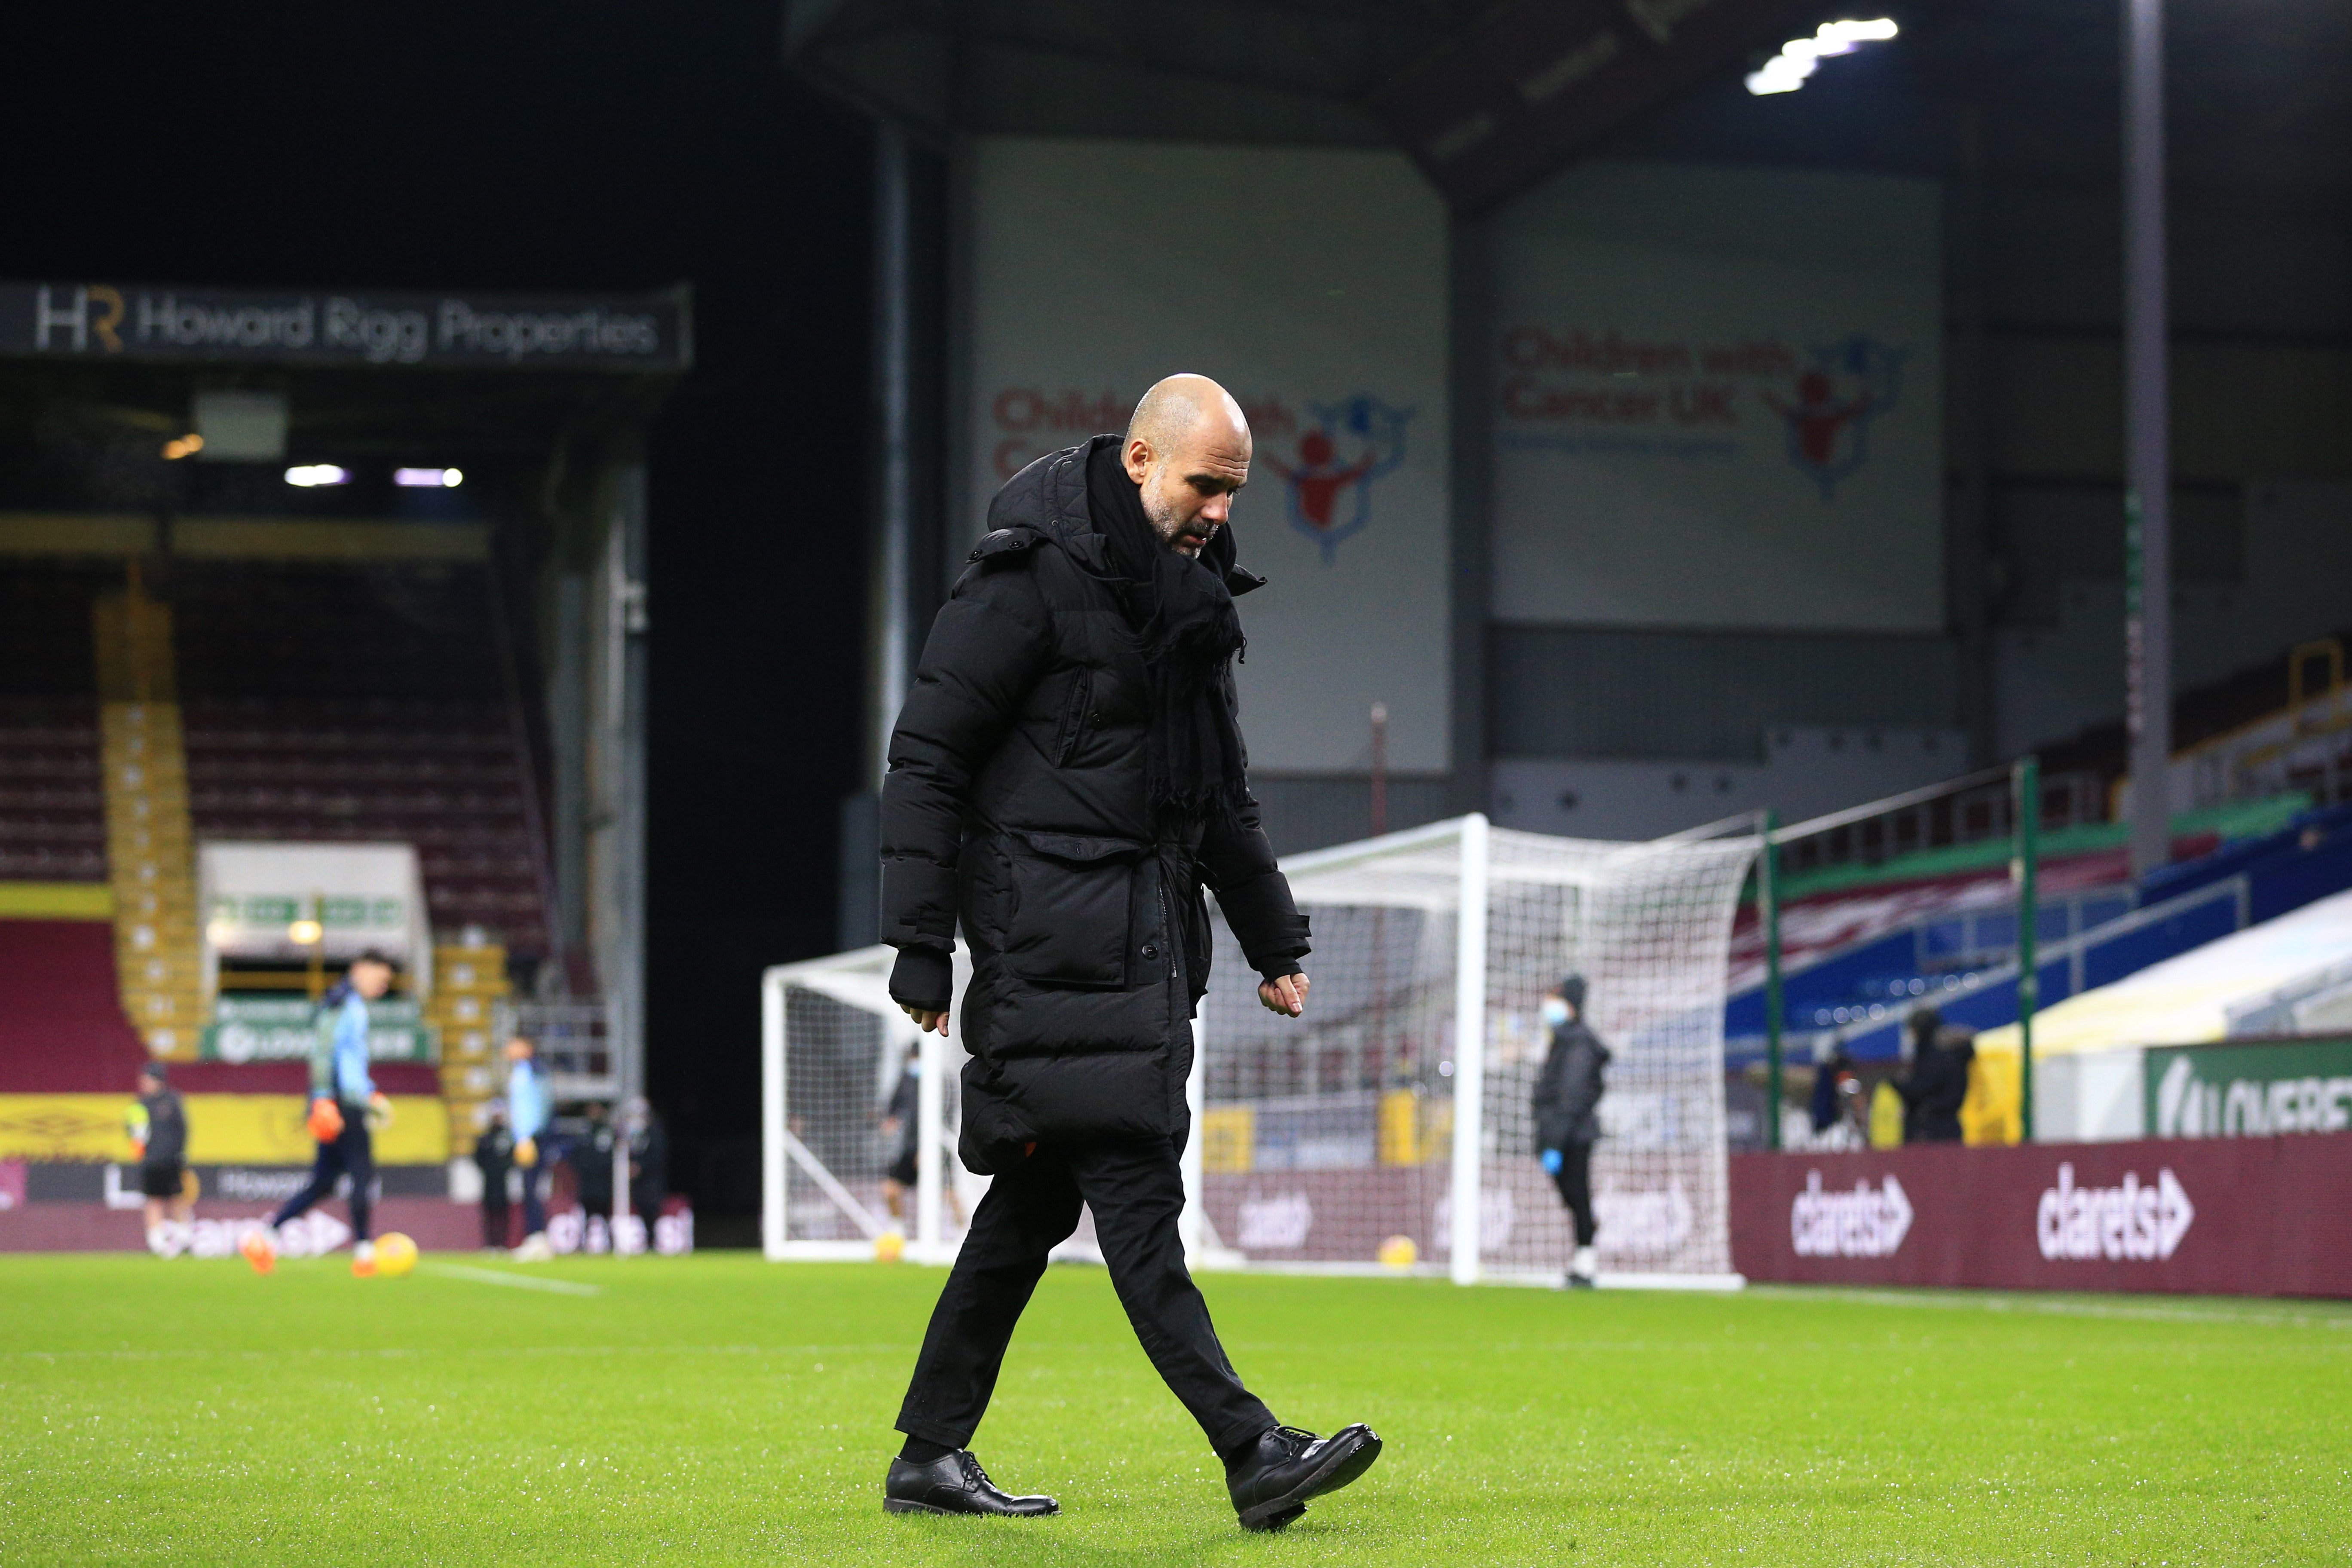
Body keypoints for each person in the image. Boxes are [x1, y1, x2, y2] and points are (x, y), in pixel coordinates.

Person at [876, 375, 1378, 1531]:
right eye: (1205, 484)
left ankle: (928, 1453)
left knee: (1031, 1213)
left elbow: (1215, 797)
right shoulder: (1026, 580)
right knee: (1140, 1200)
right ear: (1144, 461)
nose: (1218, 510)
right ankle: (1252, 1450)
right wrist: (919, 944)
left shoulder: (1188, 598)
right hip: (1052, 950)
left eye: (1233, 491)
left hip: (1140, 954)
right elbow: (929, 761)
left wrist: (1273, 935)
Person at [244, 951, 395, 1275]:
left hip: (339, 1099)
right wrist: (327, 1099)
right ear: (360, 969)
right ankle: (365, 1252)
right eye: (380, 979)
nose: (382, 988)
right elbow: (325, 1054)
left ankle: (265, 1237)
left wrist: (361, 1095)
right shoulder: (345, 1004)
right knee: (362, 1174)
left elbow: (343, 1058)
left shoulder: (344, 1002)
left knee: (324, 1182)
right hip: (342, 1103)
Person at [1530, 974, 1609, 1289]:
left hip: (1572, 1136)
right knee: (1574, 1198)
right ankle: (1582, 1260)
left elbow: (1571, 1096)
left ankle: (1586, 1265)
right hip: (1564, 1134)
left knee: (1578, 1197)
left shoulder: (1577, 1043)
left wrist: (1555, 1143)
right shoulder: (1563, 1041)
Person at [127, 1061, 193, 1255]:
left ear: (157, 1080)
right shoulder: (139, 1105)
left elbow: (183, 1130)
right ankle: (156, 1242)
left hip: (172, 1160)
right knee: (153, 1199)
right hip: (150, 1162)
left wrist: (180, 1153)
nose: (142, 1083)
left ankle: (185, 1239)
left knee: (177, 1198)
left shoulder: (173, 1101)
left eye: (146, 1079)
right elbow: (133, 1134)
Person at [505, 1037, 552, 1260]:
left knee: (532, 1186)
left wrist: (530, 1136)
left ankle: (538, 1238)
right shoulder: (521, 1070)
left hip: (532, 1138)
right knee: (527, 1187)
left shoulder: (533, 1069)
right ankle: (535, 1236)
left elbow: (541, 1104)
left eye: (514, 1044)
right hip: (525, 1138)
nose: (509, 1049)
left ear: (527, 1047)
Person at [1899, 1008, 1975, 1143]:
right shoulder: (1952, 1059)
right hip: (1950, 1129)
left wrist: (1895, 1085)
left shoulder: (1933, 1060)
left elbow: (1918, 1090)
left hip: (1930, 1132)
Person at [880, 1045, 921, 1225]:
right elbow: (893, 1111)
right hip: (910, 1148)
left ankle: (962, 1232)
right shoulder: (906, 1081)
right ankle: (898, 1231)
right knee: (890, 1190)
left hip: (936, 1149)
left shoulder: (942, 1081)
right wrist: (890, 1122)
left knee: (948, 1194)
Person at [570, 1099, 619, 1244]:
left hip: (604, 1183)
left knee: (607, 1216)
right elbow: (576, 1157)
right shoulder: (583, 1132)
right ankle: (583, 1244)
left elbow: (612, 1157)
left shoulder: (608, 1132)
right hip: (587, 1184)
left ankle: (612, 1244)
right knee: (585, 1217)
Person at [473, 1106, 516, 1250]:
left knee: (503, 1214)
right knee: (489, 1215)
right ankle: (490, 1244)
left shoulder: (507, 1137)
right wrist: (488, 1169)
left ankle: (503, 1244)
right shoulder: (486, 1138)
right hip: (489, 1182)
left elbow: (513, 1157)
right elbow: (478, 1157)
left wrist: (504, 1168)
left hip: (503, 1182)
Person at [623, 1095, 668, 1226]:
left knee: (651, 1215)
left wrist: (641, 1167)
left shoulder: (655, 1132)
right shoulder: (629, 1133)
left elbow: (658, 1156)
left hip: (651, 1186)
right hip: (636, 1186)